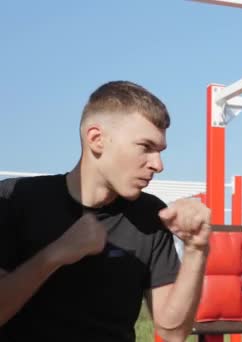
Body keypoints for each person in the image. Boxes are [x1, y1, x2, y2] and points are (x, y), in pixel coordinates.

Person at [0, 81, 211, 342]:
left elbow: (173, 332)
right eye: (145, 147)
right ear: (96, 139)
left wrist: (196, 250)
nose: (158, 165)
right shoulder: (15, 200)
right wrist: (55, 255)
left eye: (160, 151)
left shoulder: (150, 215)